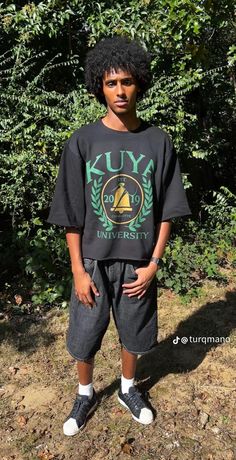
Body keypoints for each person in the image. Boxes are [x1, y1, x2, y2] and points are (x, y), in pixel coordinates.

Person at [47, 36, 191, 436]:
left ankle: (128, 388)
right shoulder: (82, 141)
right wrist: (77, 269)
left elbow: (166, 211)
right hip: (92, 260)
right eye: (111, 83)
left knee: (135, 332)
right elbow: (71, 214)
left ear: (139, 84)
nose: (120, 91)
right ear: (99, 87)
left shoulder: (157, 141)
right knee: (85, 334)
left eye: (126, 81)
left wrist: (154, 263)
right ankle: (85, 392)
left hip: (139, 262)